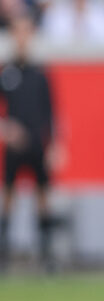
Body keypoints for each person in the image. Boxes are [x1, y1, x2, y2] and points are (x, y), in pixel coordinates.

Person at [1, 16, 56, 272]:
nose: (22, 37)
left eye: (26, 32)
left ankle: (46, 255)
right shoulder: (6, 73)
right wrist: (6, 128)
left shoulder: (40, 74)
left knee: (43, 196)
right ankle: (4, 253)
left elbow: (51, 112)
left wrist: (55, 145)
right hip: (14, 146)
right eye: (17, 32)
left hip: (37, 144)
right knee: (8, 195)